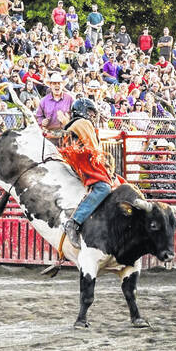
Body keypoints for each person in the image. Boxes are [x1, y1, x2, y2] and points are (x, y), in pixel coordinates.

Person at [58, 98, 115, 247]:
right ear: (82, 111)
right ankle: (74, 221)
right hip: (84, 163)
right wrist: (103, 164)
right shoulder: (83, 123)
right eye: (89, 112)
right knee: (104, 187)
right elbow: (93, 147)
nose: (91, 115)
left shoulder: (74, 124)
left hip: (79, 161)